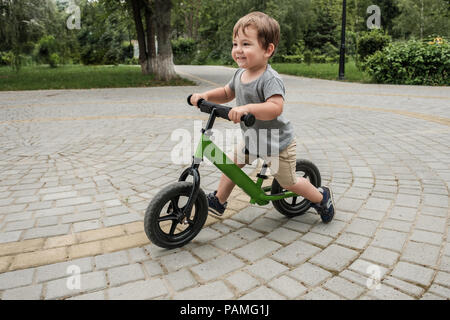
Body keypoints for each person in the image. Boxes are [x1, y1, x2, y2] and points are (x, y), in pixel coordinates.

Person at [189, 12, 335, 223]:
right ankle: (219, 201)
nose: (238, 50)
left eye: (246, 44)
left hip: (276, 143)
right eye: (235, 43)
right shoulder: (240, 74)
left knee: (289, 182)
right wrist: (205, 96)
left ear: (267, 50)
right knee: (230, 164)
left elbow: (275, 107)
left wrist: (248, 108)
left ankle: (321, 197)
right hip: (252, 139)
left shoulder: (270, 79)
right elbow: (226, 93)